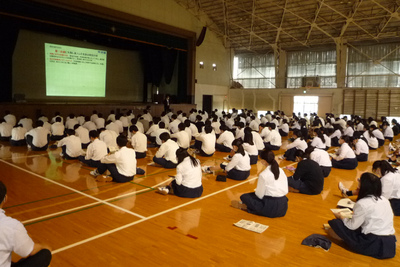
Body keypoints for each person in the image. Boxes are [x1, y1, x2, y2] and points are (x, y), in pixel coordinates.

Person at [329, 173, 396, 259]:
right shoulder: (384, 200)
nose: (357, 181)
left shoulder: (362, 203)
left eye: (360, 180)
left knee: (336, 223)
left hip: (373, 242)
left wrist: (341, 217)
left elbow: (351, 226)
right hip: (390, 243)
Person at [0, 181, 52, 266]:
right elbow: (30, 250)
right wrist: (46, 247)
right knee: (45, 254)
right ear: (5, 198)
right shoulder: (11, 226)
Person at [232, 150, 288, 218]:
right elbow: (286, 190)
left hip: (270, 206)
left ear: (264, 161)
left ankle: (246, 207)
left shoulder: (263, 174)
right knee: (252, 195)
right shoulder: (281, 170)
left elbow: (259, 195)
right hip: (283, 206)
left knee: (244, 197)